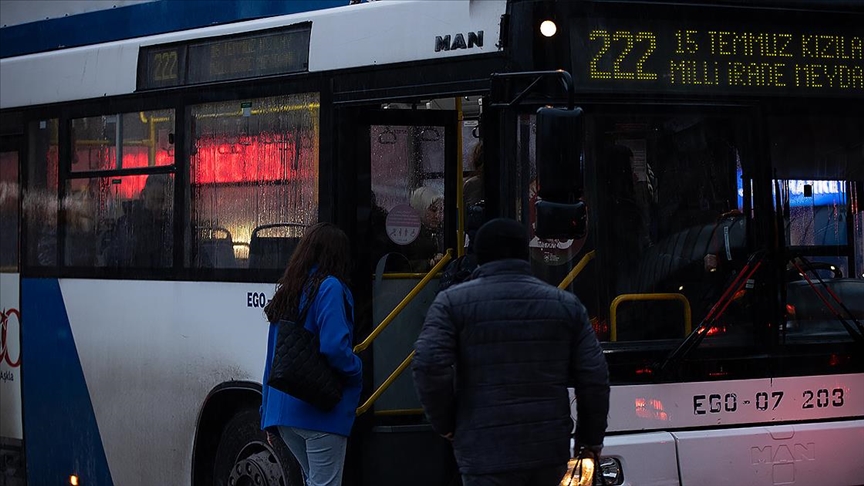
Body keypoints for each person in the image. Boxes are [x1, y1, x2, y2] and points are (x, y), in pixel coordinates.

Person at [412, 218, 610, 486]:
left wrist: (447, 423)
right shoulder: (565, 304)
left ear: (478, 256)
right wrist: (589, 440)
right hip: (547, 449)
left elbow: (428, 364)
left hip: (483, 449)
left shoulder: (451, 303)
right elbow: (594, 377)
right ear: (524, 254)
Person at [260, 222, 363, 486]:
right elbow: (334, 347)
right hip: (319, 412)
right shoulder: (330, 287)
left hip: (284, 414)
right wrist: (357, 368)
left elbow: (272, 356)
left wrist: (267, 413)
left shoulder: (290, 289)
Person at [104, 174, 173, 267]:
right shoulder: (128, 224)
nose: (160, 206)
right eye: (155, 200)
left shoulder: (172, 225)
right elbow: (119, 260)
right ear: (143, 195)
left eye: (163, 201)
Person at [405, 186, 445, 271]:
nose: (437, 216)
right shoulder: (408, 234)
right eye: (433, 210)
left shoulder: (444, 232)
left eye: (441, 210)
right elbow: (401, 265)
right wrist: (428, 263)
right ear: (420, 209)